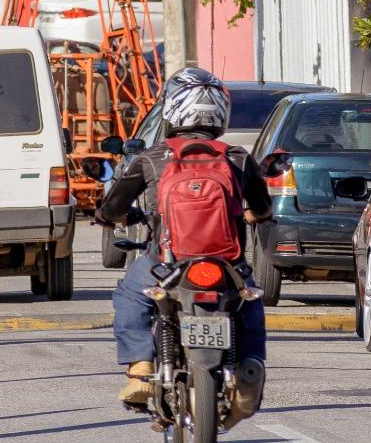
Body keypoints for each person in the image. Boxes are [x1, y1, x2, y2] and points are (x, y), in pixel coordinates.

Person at [96, 67, 273, 427]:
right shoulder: (237, 158)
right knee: (249, 299)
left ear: (173, 109)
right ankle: (249, 367)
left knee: (131, 294)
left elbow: (113, 207)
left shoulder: (152, 157)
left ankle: (142, 370)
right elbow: (263, 208)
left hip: (168, 261)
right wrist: (254, 214)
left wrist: (107, 217)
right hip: (227, 264)